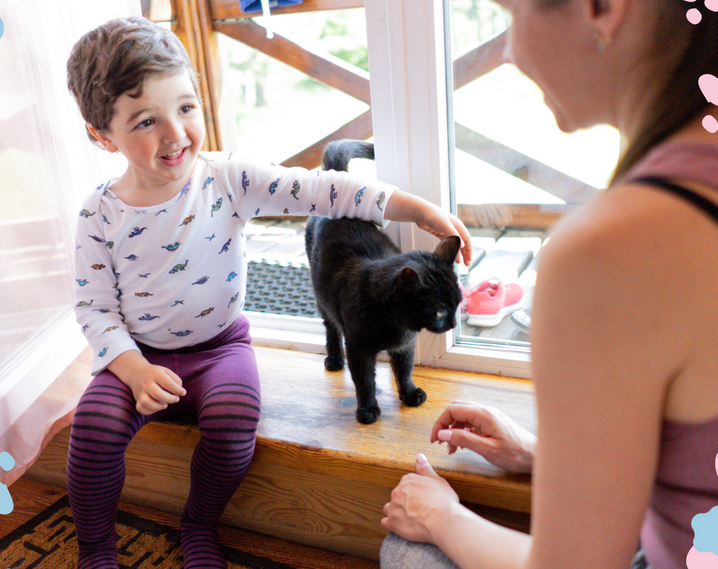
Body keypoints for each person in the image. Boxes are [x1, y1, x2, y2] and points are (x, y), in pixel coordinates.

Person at [379, 0, 718, 568]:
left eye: (514, 15)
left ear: (602, 9)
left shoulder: (608, 251)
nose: (508, 52)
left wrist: (441, 515)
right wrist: (549, 455)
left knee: (403, 549)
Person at [64, 16, 472, 569]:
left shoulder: (226, 177)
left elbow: (323, 188)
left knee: (236, 422)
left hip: (220, 349)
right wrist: (132, 369)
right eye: (145, 121)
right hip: (137, 356)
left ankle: (198, 525)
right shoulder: (98, 213)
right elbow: (94, 306)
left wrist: (414, 208)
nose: (176, 134)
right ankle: (95, 549)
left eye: (186, 108)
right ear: (101, 134)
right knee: (91, 428)